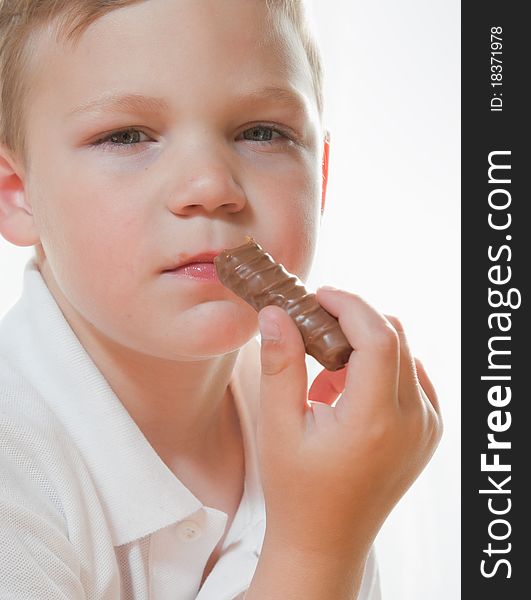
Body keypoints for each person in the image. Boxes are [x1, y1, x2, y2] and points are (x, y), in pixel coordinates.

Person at [0, 1, 443, 598]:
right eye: (127, 136)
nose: (211, 186)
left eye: (263, 132)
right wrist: (317, 547)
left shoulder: (328, 442)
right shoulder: (16, 478)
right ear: (18, 193)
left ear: (323, 178)